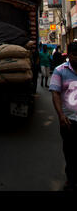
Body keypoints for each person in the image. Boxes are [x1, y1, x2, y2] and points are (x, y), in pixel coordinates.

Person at [49, 42, 77, 191]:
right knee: (70, 151)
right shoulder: (60, 71)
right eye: (75, 55)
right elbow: (55, 93)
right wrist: (60, 115)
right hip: (69, 121)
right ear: (69, 55)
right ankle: (71, 179)